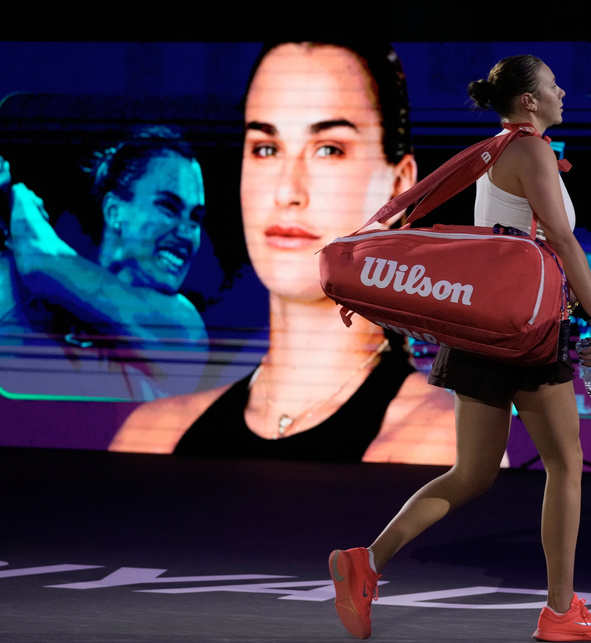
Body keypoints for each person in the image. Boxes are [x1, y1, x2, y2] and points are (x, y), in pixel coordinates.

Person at [329, 55, 591, 641]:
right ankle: (560, 612)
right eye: (552, 85)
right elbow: (561, 241)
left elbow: (523, 260)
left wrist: (590, 307)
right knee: (566, 465)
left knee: (470, 474)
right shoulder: (530, 150)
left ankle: (366, 563)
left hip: (484, 333)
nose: (562, 91)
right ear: (529, 100)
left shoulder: (500, 150)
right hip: (522, 338)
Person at [109, 41, 457, 464]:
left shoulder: (437, 443)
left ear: (399, 187)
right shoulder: (154, 437)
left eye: (329, 149)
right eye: (266, 149)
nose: (287, 191)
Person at [0, 127, 207, 400]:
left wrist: (18, 198)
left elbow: (42, 258)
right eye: (169, 207)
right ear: (114, 210)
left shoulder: (182, 326)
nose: (186, 232)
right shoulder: (23, 293)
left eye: (195, 218)